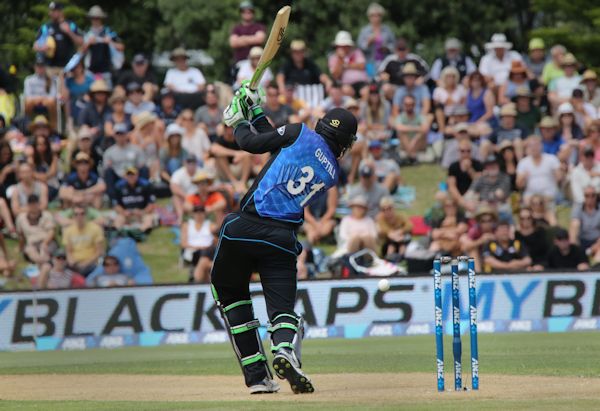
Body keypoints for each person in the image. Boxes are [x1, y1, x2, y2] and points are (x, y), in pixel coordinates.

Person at [213, 84, 357, 393]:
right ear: (344, 143)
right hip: (281, 240)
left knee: (232, 296)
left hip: (243, 229)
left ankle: (257, 379)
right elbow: (276, 145)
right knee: (282, 310)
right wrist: (254, 111)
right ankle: (284, 349)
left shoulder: (298, 131)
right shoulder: (331, 171)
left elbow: (253, 144)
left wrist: (237, 122)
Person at [33, 2, 83, 74]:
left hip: (68, 67)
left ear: (60, 11)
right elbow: (35, 45)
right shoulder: (46, 27)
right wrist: (42, 47)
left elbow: (81, 42)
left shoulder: (70, 25)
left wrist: (69, 32)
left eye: (54, 11)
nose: (51, 13)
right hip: (50, 67)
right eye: (50, 11)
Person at [102, 123, 146, 200]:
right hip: (118, 176)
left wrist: (133, 175)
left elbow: (141, 165)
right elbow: (106, 167)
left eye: (122, 134)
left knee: (145, 169)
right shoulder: (109, 152)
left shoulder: (136, 149)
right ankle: (112, 198)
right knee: (108, 172)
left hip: (134, 174)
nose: (120, 137)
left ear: (127, 135)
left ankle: (145, 196)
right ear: (114, 136)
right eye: (118, 134)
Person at [81, 5, 124, 84]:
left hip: (106, 71)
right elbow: (81, 51)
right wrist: (89, 43)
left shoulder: (109, 32)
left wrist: (110, 42)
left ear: (101, 19)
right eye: (93, 18)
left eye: (97, 18)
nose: (95, 20)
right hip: (91, 72)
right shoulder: (87, 33)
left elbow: (121, 47)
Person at [516, 135, 562, 205]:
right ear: (527, 148)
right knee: (529, 200)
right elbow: (519, 185)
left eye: (536, 145)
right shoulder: (523, 162)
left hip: (549, 193)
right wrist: (523, 177)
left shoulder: (552, 159)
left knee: (541, 201)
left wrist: (559, 173)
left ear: (541, 145)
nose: (534, 148)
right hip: (530, 194)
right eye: (531, 145)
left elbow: (559, 178)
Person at [210, 123, 253, 194]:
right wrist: (236, 153)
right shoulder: (220, 139)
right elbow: (213, 149)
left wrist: (241, 155)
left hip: (239, 168)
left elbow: (252, 150)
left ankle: (243, 182)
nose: (229, 129)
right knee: (219, 156)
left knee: (247, 157)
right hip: (226, 172)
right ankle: (234, 182)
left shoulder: (239, 138)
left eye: (231, 127)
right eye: (227, 127)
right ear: (224, 129)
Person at [63, 204, 105, 276]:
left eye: (82, 214)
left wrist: (85, 263)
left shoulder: (96, 228)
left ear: (86, 215)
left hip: (91, 263)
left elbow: (99, 252)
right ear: (73, 216)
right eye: (76, 214)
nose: (79, 216)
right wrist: (72, 262)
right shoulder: (68, 230)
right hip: (75, 264)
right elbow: (68, 251)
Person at [113, 166, 156, 233]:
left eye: (133, 175)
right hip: (126, 213)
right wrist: (124, 212)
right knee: (118, 219)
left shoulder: (146, 185)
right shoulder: (119, 186)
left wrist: (143, 212)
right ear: (125, 176)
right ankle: (118, 232)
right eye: (129, 175)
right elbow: (116, 205)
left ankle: (141, 232)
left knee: (148, 218)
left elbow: (151, 204)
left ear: (137, 175)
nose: (131, 177)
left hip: (142, 212)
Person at [16, 194, 55, 265]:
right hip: (32, 243)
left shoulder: (46, 215)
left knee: (44, 250)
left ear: (39, 204)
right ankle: (42, 262)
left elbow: (51, 232)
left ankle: (44, 263)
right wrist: (20, 247)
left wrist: (45, 243)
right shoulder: (21, 218)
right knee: (29, 250)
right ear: (28, 205)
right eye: (31, 204)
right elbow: (21, 236)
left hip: (46, 241)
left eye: (35, 204)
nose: (33, 206)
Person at [357, 3, 395, 76]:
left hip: (385, 62)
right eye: (373, 15)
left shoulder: (387, 30)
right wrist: (368, 43)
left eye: (378, 15)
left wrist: (387, 48)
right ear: (369, 17)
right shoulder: (364, 31)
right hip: (369, 63)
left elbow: (394, 45)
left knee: (384, 82)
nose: (376, 18)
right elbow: (359, 48)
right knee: (372, 83)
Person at [180, 204, 216, 283]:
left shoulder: (211, 225)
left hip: (208, 251)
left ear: (205, 213)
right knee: (204, 258)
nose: (199, 214)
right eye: (196, 212)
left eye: (201, 212)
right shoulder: (187, 225)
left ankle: (198, 277)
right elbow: (183, 243)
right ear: (193, 213)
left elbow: (217, 240)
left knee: (207, 254)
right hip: (193, 251)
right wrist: (198, 247)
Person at [328, 31, 368, 97]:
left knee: (365, 91)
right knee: (346, 90)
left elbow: (362, 65)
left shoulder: (357, 52)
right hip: (345, 85)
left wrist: (346, 65)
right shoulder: (333, 58)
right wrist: (340, 60)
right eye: (341, 46)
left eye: (345, 45)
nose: (343, 48)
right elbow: (335, 75)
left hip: (362, 83)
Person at [394, 94, 431, 163]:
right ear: (403, 105)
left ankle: (410, 156)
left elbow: (426, 128)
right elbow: (399, 128)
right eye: (406, 104)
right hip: (405, 145)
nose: (409, 106)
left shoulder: (420, 116)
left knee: (420, 134)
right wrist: (417, 128)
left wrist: (414, 139)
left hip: (418, 145)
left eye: (411, 104)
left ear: (414, 105)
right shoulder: (400, 117)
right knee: (402, 133)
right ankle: (412, 156)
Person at [447, 138, 483, 208]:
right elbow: (452, 186)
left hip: (473, 194)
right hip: (458, 194)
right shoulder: (453, 166)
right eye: (462, 151)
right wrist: (461, 200)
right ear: (458, 151)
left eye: (468, 151)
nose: (465, 153)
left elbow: (480, 183)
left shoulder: (477, 164)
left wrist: (470, 170)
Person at [376, 196, 411, 261]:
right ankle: (389, 260)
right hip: (387, 244)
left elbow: (409, 225)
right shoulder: (380, 219)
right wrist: (393, 234)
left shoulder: (399, 216)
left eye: (389, 208)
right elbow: (384, 230)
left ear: (393, 208)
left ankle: (401, 259)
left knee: (402, 245)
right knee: (391, 246)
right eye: (384, 209)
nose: (387, 211)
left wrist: (400, 231)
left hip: (400, 241)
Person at [23, 56, 58, 122]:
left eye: (42, 66)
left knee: (52, 102)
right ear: (35, 67)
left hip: (47, 102)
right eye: (38, 66)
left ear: (45, 67)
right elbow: (27, 96)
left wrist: (42, 100)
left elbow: (53, 95)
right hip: (33, 102)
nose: (40, 68)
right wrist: (39, 99)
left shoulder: (51, 79)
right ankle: (26, 126)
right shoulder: (29, 80)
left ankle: (54, 128)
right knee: (28, 102)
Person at [515, 206, 548, 271]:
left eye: (528, 218)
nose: (526, 220)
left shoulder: (540, 232)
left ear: (532, 218)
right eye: (522, 218)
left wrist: (541, 265)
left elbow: (545, 253)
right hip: (522, 267)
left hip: (539, 266)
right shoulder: (516, 234)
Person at [569, 186, 600, 252]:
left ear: (596, 196)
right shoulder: (578, 208)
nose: (590, 198)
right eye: (587, 195)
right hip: (582, 239)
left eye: (593, 195)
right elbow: (574, 224)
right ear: (584, 196)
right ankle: (573, 249)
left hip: (597, 240)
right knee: (575, 224)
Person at [169, 156, 199, 225]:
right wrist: (186, 196)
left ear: (196, 164)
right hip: (184, 199)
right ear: (185, 163)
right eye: (189, 163)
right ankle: (181, 217)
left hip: (197, 199)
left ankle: (194, 216)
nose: (191, 165)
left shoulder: (201, 172)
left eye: (193, 163)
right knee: (175, 197)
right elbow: (173, 187)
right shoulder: (178, 173)